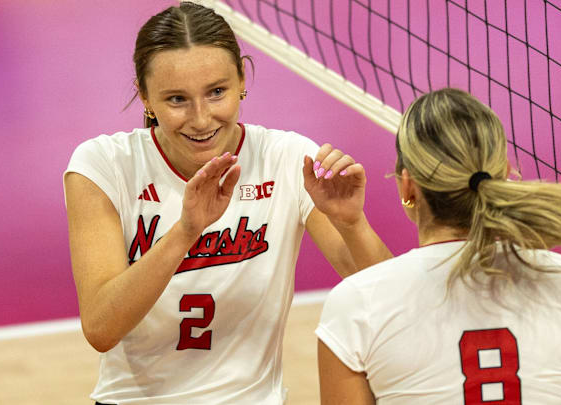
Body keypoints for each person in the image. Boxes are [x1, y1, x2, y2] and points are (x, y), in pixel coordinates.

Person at [63, 3, 391, 404]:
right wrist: (185, 231)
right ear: (144, 97)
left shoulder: (287, 159)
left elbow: (389, 297)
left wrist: (352, 223)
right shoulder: (102, 166)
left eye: (216, 92)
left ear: (242, 81)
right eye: (177, 99)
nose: (201, 119)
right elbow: (101, 327)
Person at [315, 88, 561, 405]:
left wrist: (353, 225)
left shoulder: (353, 305)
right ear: (504, 175)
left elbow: (386, 303)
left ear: (407, 184)